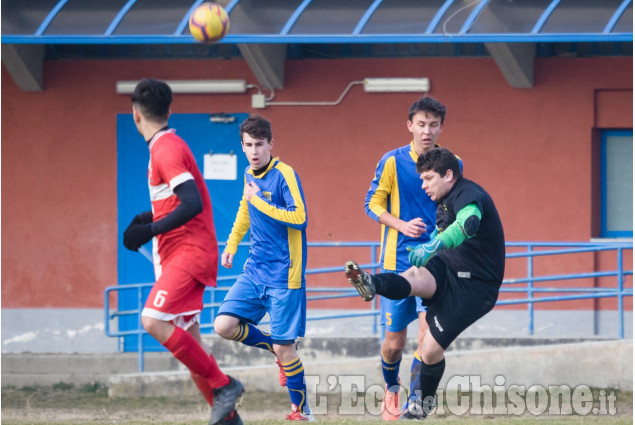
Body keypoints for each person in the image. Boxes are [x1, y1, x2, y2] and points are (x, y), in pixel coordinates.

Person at [347, 147, 505, 420]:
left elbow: (467, 224)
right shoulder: (442, 198)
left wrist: (434, 244)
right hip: (449, 266)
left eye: (428, 179)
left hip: (475, 286)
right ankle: (372, 284)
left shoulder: (469, 194)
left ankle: (423, 405)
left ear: (448, 175)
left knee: (429, 351)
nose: (423, 185)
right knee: (415, 275)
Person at [122, 78, 244, 425]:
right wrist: (143, 221)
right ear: (169, 110)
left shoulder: (165, 149)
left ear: (135, 115)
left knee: (152, 320)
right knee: (194, 354)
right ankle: (228, 419)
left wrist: (149, 229)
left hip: (188, 253)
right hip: (183, 252)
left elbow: (190, 203)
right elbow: (177, 203)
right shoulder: (167, 146)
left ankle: (225, 385)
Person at [213, 114, 313, 421]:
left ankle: (301, 411)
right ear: (242, 146)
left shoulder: (284, 174)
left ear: (271, 144)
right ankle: (273, 348)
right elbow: (245, 208)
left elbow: (300, 217)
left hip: (285, 275)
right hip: (255, 270)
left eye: (259, 144)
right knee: (223, 326)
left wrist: (261, 201)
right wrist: (231, 245)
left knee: (288, 351)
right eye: (248, 145)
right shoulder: (248, 174)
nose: (254, 151)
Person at [364, 97, 457, 420]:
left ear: (441, 127)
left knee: (424, 335)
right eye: (421, 124)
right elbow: (371, 204)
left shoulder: (452, 162)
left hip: (435, 264)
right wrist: (401, 224)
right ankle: (391, 388)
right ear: (410, 126)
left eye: (433, 124)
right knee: (393, 343)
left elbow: (457, 208)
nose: (427, 130)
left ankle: (415, 401)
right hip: (397, 263)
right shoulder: (392, 161)